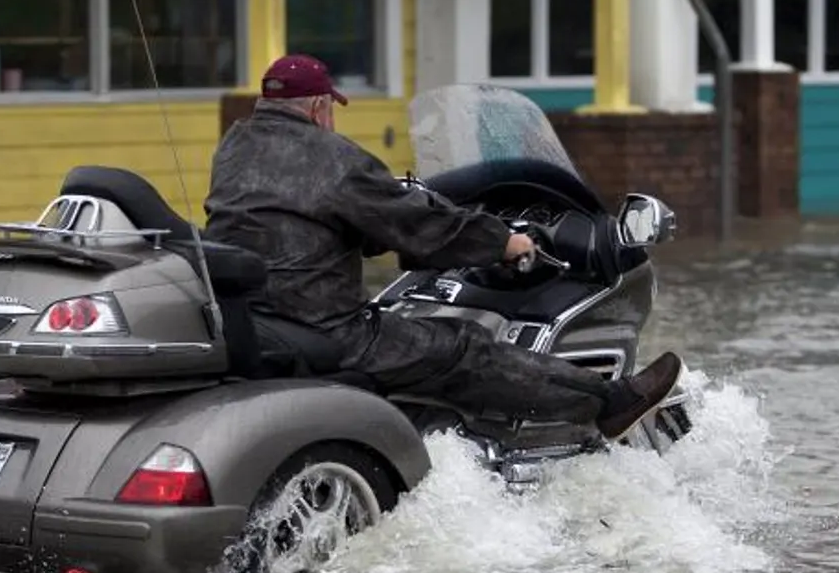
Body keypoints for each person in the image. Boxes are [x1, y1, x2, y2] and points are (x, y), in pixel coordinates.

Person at [203, 54, 684, 441]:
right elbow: (420, 225)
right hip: (329, 328)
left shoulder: (235, 148)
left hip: (256, 319)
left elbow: (311, 220)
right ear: (317, 108)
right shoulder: (335, 159)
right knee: (467, 349)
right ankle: (610, 404)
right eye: (330, 109)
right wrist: (505, 242)